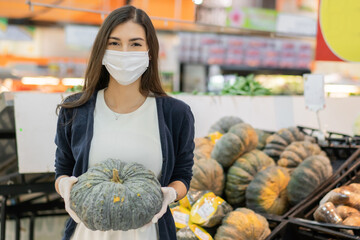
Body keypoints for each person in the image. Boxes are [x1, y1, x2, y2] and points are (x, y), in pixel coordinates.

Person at [54, 5, 195, 240]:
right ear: (102, 49)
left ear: (150, 51)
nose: (125, 51)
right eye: (115, 43)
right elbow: (62, 170)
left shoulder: (176, 114)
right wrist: (64, 186)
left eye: (136, 44)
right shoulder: (75, 110)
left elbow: (182, 174)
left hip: (149, 233)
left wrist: (171, 193)